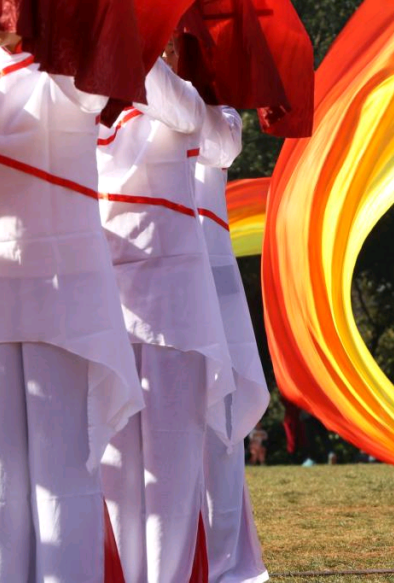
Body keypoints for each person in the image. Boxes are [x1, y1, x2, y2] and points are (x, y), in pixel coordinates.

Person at [0, 33, 144, 581]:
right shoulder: (72, 68)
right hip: (53, 296)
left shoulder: (70, 69)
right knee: (39, 481)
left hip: (61, 301)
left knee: (40, 479)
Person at [98, 54, 236, 583]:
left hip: (173, 309)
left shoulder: (182, 98)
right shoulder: (75, 88)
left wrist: (133, 35)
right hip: (103, 302)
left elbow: (216, 140)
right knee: (115, 470)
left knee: (174, 470)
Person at [194, 96, 270, 583]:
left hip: (209, 282)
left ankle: (222, 560)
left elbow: (221, 147)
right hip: (138, 280)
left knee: (219, 427)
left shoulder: (214, 110)